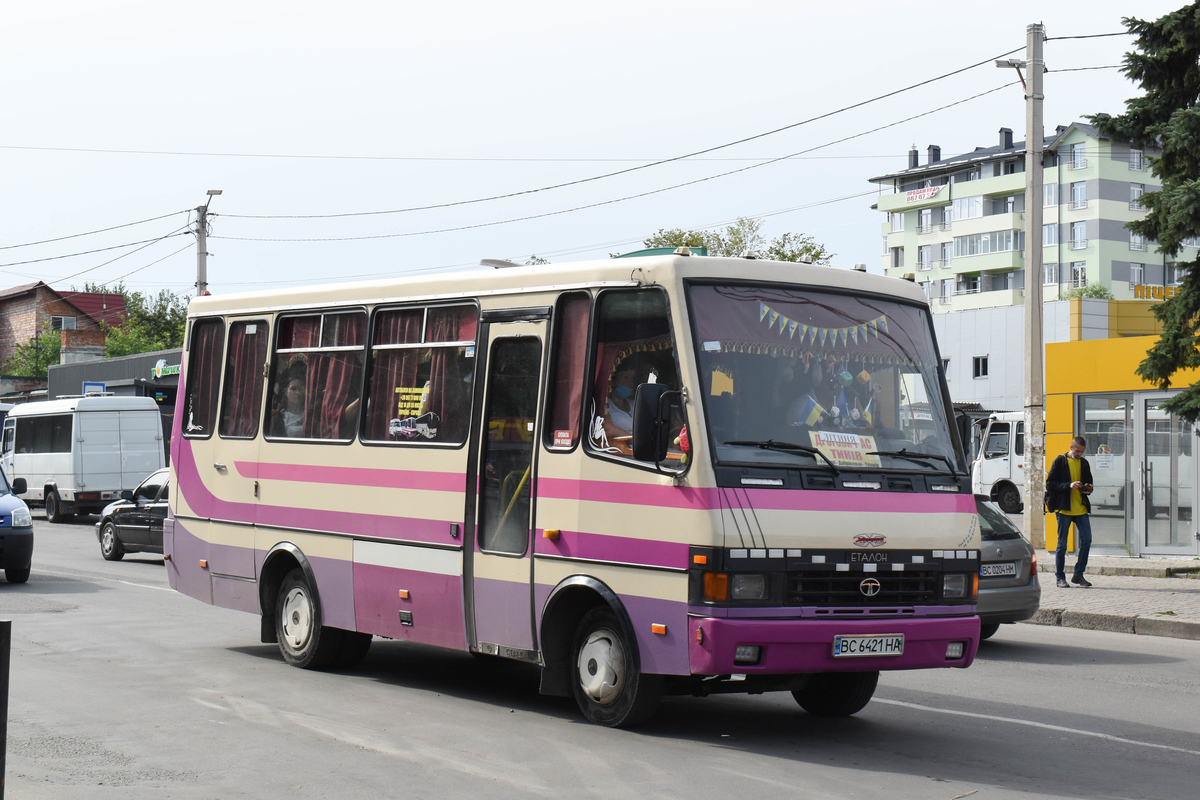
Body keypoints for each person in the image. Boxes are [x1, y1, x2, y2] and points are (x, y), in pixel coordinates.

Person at [1046, 436, 1094, 588]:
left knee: (1087, 540)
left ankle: (1078, 575)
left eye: (1082, 452)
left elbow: (1089, 483)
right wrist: (1069, 485)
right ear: (1071, 447)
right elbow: (1050, 484)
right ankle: (1060, 577)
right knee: (1062, 544)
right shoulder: (1060, 461)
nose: (1079, 454)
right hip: (1064, 508)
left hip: (1080, 508)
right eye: (1077, 451)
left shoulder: (1084, 463)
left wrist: (1088, 488)